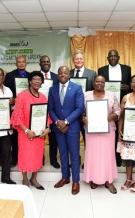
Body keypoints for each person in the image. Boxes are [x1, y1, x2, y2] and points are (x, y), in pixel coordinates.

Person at [10, 71, 52, 189]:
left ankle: (34, 178)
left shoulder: (43, 97)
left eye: (39, 79)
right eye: (35, 79)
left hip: (39, 134)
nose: (37, 81)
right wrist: (26, 130)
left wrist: (48, 128)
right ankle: (25, 179)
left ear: (42, 82)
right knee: (25, 156)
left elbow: (46, 115)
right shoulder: (22, 96)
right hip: (26, 133)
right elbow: (16, 116)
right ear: (29, 81)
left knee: (37, 156)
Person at [48, 66, 84, 195]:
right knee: (62, 154)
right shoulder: (52, 89)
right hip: (58, 128)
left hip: (72, 127)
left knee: (74, 155)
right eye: (60, 73)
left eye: (65, 73)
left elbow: (80, 108)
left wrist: (66, 121)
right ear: (57, 75)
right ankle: (65, 177)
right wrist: (58, 122)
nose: (63, 75)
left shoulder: (77, 88)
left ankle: (75, 181)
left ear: (69, 75)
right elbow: (50, 108)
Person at [82, 75, 120, 194]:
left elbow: (118, 110)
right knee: (93, 154)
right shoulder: (86, 95)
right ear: (93, 83)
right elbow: (81, 111)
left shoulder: (111, 95)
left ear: (105, 84)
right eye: (97, 81)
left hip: (108, 129)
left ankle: (109, 180)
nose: (99, 84)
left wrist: (113, 116)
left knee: (107, 155)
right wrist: (83, 118)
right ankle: (94, 178)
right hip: (91, 129)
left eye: (102, 82)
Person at [98, 49, 131, 167]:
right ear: (107, 58)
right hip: (106, 106)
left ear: (119, 57)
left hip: (122, 104)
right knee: (109, 133)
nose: (112, 58)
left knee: (121, 131)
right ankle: (109, 158)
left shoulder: (127, 69)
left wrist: (128, 87)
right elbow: (100, 87)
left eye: (115, 56)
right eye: (110, 56)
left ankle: (119, 158)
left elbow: (132, 86)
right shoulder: (101, 70)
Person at [70, 50, 97, 168]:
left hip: (87, 112)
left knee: (88, 138)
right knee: (74, 138)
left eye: (81, 58)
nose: (79, 61)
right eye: (76, 59)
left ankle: (88, 161)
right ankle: (75, 160)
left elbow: (95, 92)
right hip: (72, 111)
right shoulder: (68, 73)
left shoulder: (92, 73)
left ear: (84, 60)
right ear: (73, 60)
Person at [5, 55, 29, 167]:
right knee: (14, 137)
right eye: (19, 62)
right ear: (16, 63)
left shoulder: (30, 76)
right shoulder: (10, 76)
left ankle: (26, 157)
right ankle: (14, 158)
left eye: (23, 62)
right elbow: (6, 91)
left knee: (26, 136)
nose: (21, 64)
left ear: (26, 63)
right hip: (16, 110)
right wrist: (12, 99)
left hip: (28, 110)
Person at [39, 55, 60, 169]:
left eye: (48, 61)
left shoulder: (56, 77)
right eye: (44, 62)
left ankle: (53, 159)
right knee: (39, 135)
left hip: (52, 110)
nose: (46, 63)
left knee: (53, 137)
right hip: (39, 111)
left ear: (50, 63)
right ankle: (40, 159)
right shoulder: (36, 76)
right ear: (40, 64)